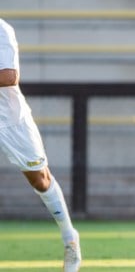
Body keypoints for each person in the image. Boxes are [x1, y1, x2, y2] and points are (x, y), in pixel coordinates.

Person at [0, 19, 82, 272]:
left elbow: (8, 76)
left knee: (40, 179)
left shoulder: (2, 29)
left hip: (9, 120)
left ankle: (70, 238)